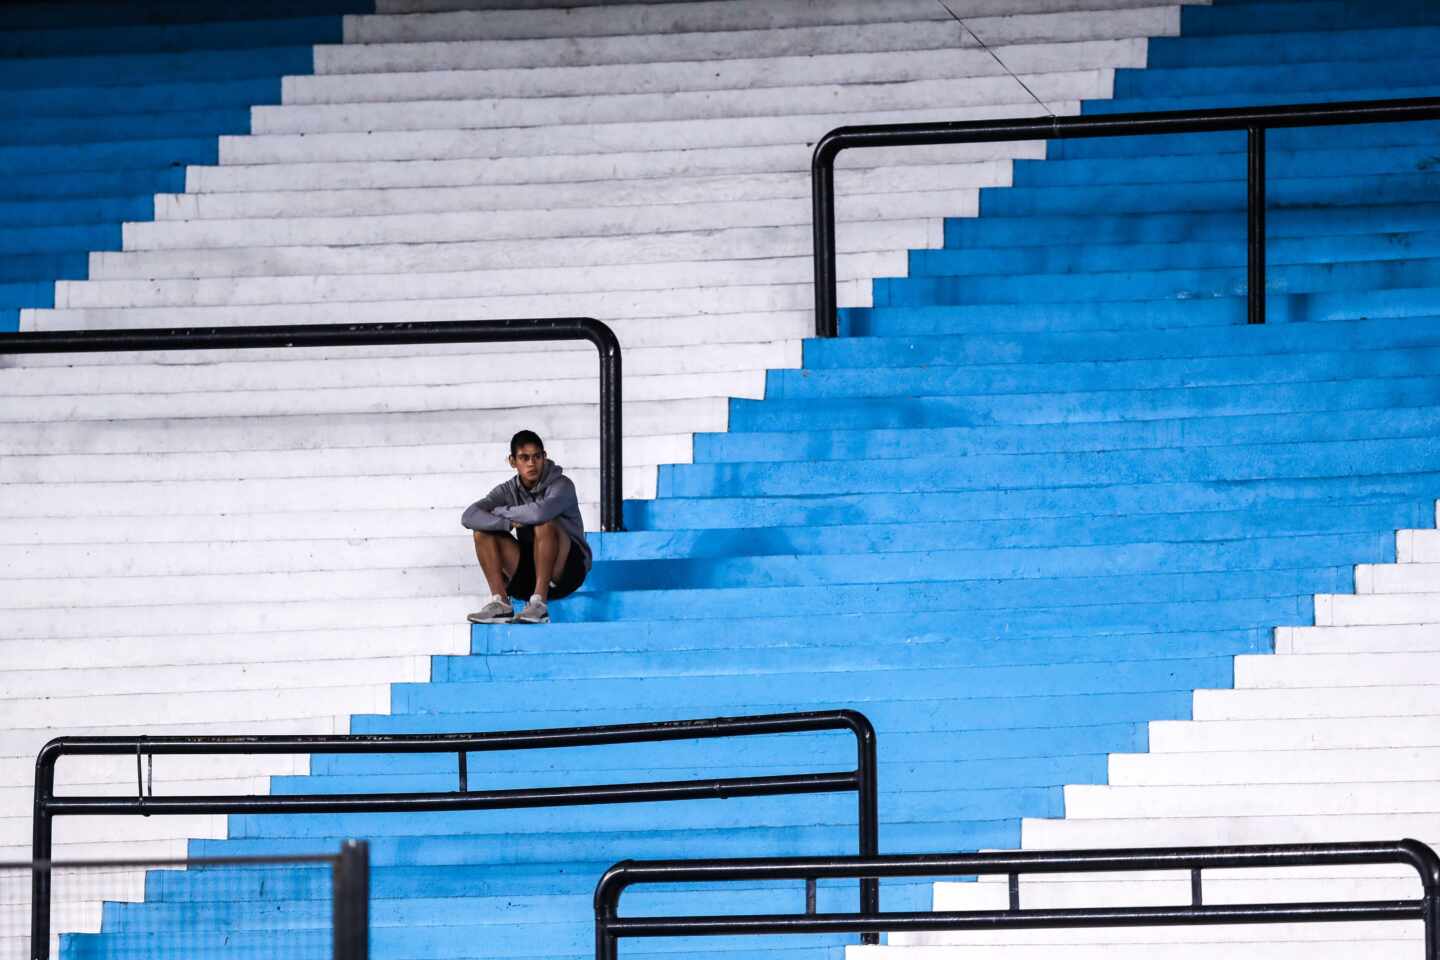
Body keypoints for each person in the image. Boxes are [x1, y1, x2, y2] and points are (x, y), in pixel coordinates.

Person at [461, 430, 591, 624]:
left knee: (544, 524)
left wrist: (501, 511)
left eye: (537, 457)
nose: (532, 463)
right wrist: (506, 523)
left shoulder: (562, 485)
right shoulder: (507, 490)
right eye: (524, 458)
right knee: (482, 533)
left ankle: (539, 604)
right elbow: (469, 516)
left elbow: (540, 513)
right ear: (513, 462)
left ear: (544, 457)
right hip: (531, 570)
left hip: (567, 571)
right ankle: (501, 604)